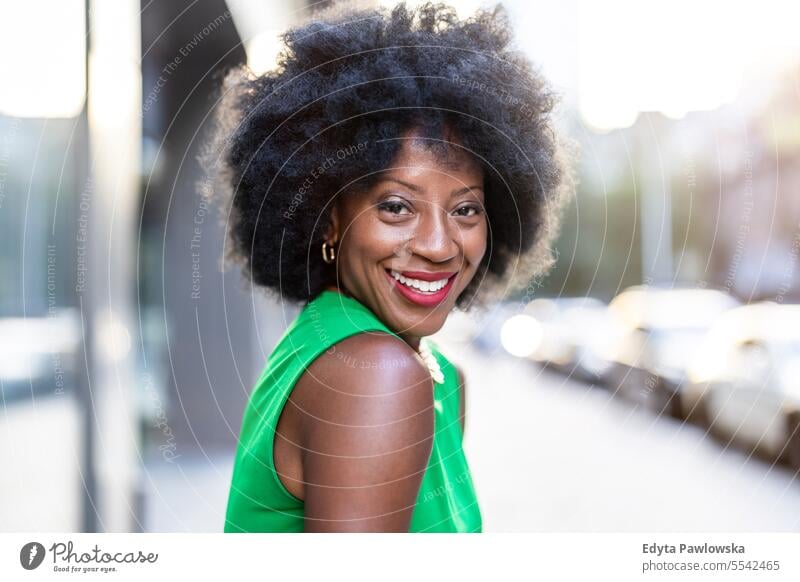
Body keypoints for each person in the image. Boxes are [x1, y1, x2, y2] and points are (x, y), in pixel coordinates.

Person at [205, 0, 569, 532]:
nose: (440, 245)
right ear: (326, 219)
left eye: (466, 208)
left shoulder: (425, 374)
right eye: (396, 206)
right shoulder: (377, 376)